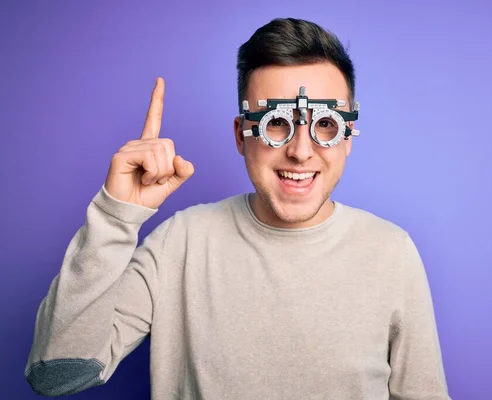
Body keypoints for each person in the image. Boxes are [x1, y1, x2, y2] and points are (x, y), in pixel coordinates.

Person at [25, 17, 451, 400]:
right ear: (241, 134)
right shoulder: (182, 242)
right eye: (276, 123)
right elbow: (57, 375)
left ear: (348, 137)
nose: (301, 152)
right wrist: (115, 217)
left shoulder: (391, 252)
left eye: (325, 124)